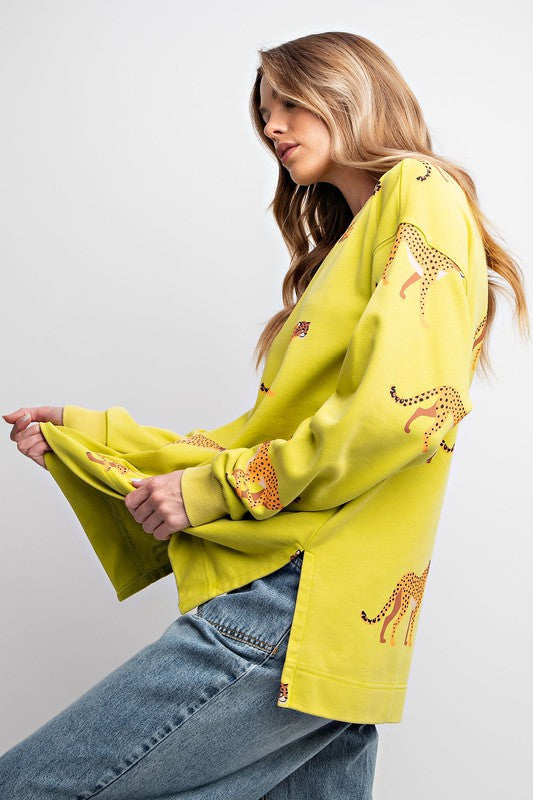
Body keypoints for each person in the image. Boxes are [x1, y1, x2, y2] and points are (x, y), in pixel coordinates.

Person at [0, 30, 529, 800]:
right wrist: (95, 439)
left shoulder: (419, 188)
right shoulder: (351, 246)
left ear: (351, 93)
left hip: (298, 595)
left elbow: (389, 417)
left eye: (289, 102)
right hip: (323, 621)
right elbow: (266, 441)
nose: (272, 125)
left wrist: (211, 492)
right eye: (264, 111)